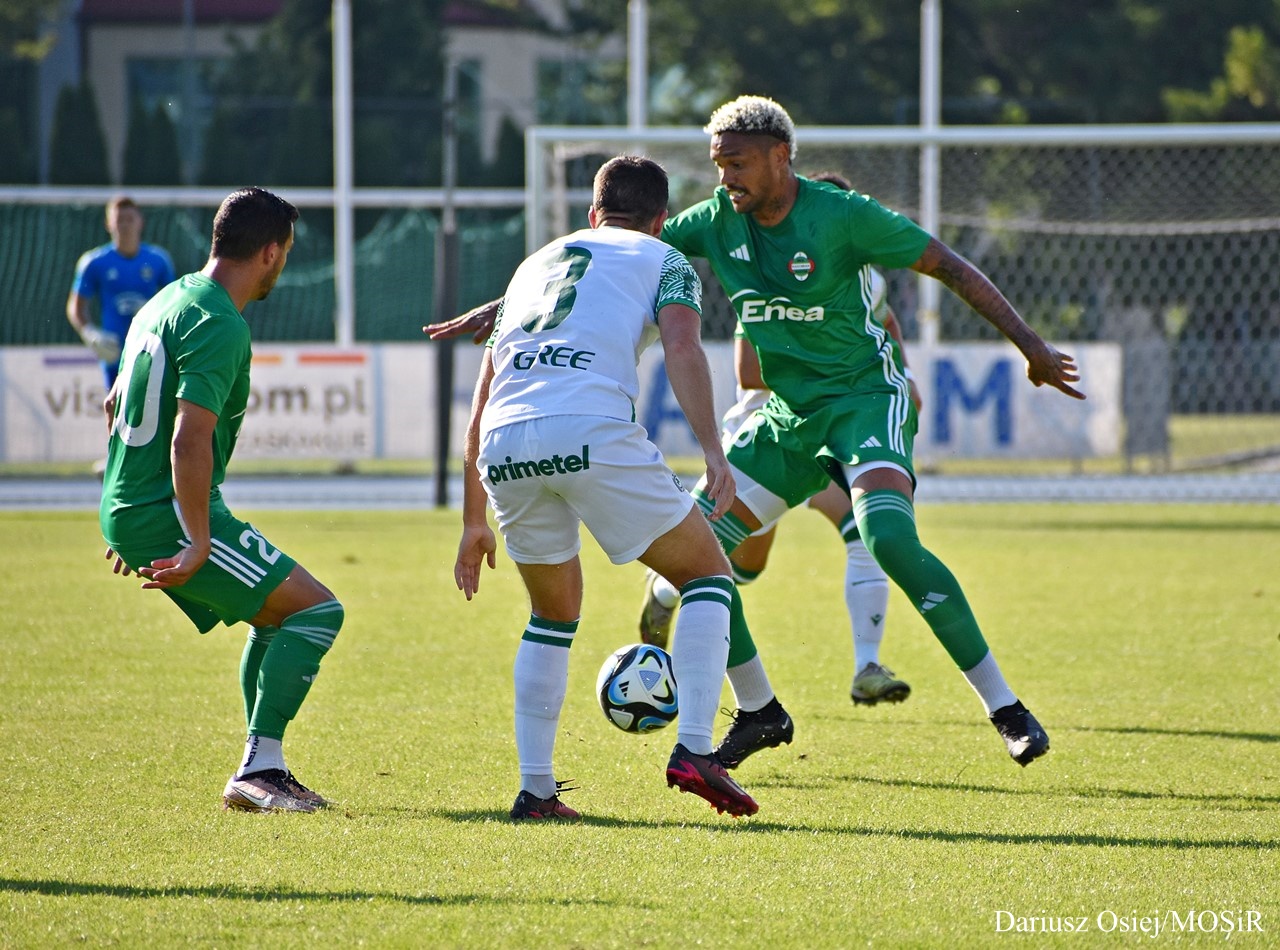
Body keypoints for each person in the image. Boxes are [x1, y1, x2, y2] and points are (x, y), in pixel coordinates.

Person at [429, 97, 1084, 772]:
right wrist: (506, 306)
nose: (725, 180)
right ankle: (760, 711)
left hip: (864, 399)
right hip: (783, 417)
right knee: (704, 555)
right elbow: (608, 258)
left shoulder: (845, 215)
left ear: (780, 156)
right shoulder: (716, 220)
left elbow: (950, 266)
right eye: (719, 165)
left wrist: (1031, 345)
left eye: (737, 164)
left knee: (887, 538)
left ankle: (1006, 709)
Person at [449, 155, 758, 820]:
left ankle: (536, 791)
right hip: (589, 427)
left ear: (593, 215)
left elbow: (480, 402)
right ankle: (696, 749)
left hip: (505, 443)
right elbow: (683, 348)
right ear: (661, 220)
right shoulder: (665, 258)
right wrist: (713, 450)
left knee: (551, 616)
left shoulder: (531, 267)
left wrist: (474, 520)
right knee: (708, 576)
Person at [100, 187, 343, 814]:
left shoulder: (166, 300)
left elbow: (114, 404)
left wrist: (124, 512)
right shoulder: (219, 322)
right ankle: (259, 771)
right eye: (286, 252)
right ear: (270, 253)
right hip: (170, 514)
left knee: (277, 617)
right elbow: (188, 438)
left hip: (139, 508)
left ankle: (265, 766)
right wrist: (197, 539)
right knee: (318, 612)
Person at [640, 171, 921, 708]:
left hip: (833, 429)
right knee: (739, 567)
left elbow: (885, 325)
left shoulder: (859, 279)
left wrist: (902, 377)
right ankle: (663, 593)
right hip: (767, 429)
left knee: (865, 532)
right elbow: (749, 373)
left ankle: (867, 666)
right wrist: (823, 366)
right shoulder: (774, 281)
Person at [67, 196, 176, 389]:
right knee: (116, 406)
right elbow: (76, 307)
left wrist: (155, 316)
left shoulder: (158, 260)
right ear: (108, 224)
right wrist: (90, 333)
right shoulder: (94, 262)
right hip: (115, 355)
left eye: (130, 219)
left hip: (152, 353)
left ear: (140, 222)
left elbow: (174, 304)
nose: (125, 225)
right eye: (119, 220)